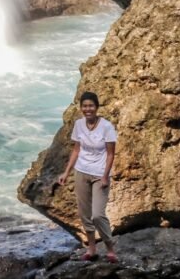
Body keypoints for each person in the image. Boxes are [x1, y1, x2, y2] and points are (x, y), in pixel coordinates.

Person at [57, 91, 118, 262]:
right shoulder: (79, 124)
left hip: (100, 174)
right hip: (81, 171)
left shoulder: (106, 126)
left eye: (91, 105)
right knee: (85, 214)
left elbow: (111, 154)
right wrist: (66, 172)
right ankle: (92, 249)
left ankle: (110, 248)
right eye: (84, 106)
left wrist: (106, 176)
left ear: (96, 107)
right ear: (81, 108)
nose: (88, 109)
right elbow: (76, 150)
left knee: (97, 214)